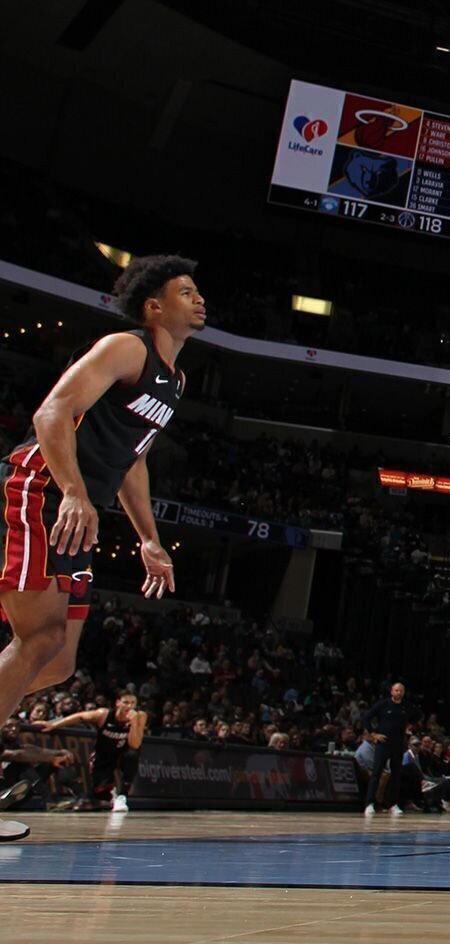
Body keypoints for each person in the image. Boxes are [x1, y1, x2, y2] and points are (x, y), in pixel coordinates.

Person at [0, 256, 193, 841]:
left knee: (58, 660)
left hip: (80, 506)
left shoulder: (175, 381)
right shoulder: (126, 347)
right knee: (37, 637)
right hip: (43, 489)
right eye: (186, 292)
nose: (199, 300)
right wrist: (75, 494)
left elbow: (132, 461)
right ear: (154, 306)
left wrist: (149, 539)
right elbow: (51, 411)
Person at [35, 690, 145, 811]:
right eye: (126, 702)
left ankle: (122, 796)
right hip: (104, 755)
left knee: (132, 754)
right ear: (118, 703)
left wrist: (134, 724)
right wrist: (53, 725)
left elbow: (135, 744)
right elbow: (80, 716)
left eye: (133, 703)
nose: (129, 706)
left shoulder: (140, 716)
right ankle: (107, 799)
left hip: (123, 754)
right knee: (100, 792)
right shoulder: (103, 714)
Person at [361, 681, 411, 817]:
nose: (398, 692)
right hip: (383, 743)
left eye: (400, 690)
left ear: (403, 692)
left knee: (396, 775)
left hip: (398, 744)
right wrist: (373, 734)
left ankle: (393, 804)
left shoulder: (405, 707)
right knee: (376, 772)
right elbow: (366, 718)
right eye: (396, 690)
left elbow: (411, 720)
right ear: (391, 692)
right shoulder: (383, 704)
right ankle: (369, 803)